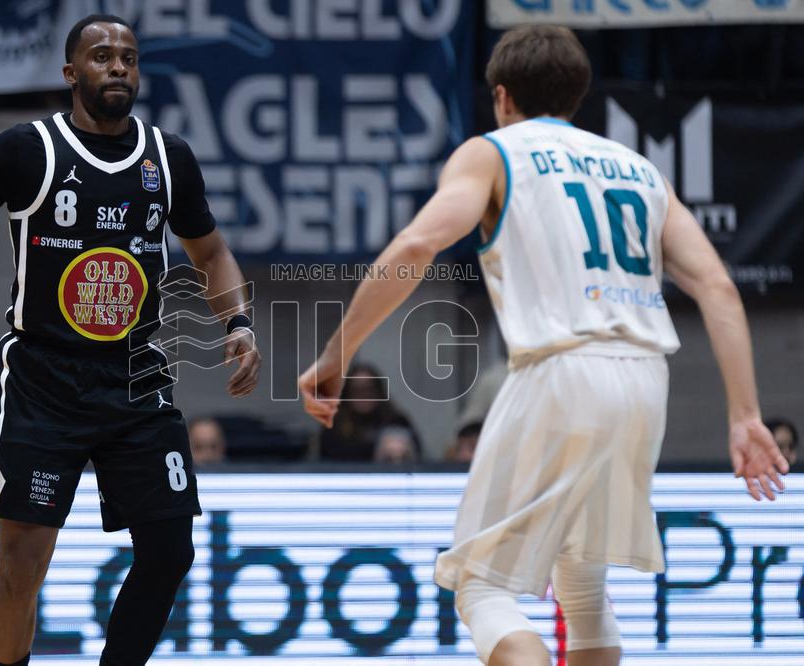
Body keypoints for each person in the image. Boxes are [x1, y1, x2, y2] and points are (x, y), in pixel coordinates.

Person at [298, 25, 787, 666]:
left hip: (561, 369)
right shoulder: (639, 169)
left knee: (482, 586)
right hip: (645, 378)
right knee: (582, 584)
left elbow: (418, 245)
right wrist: (745, 414)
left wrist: (336, 352)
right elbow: (718, 287)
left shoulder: (492, 152)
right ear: (577, 97)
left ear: (501, 96)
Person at [0, 15, 261, 666]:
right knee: (22, 567)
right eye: (102, 56)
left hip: (136, 377)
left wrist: (239, 323)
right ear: (70, 72)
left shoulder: (169, 158)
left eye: (129, 58)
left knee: (170, 550)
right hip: (43, 382)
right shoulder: (27, 151)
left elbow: (212, 251)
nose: (118, 67)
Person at [317, 362, 419, 461]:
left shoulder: (397, 421)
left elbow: (417, 458)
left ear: (379, 392)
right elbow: (327, 460)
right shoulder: (334, 426)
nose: (364, 395)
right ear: (347, 393)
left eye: (369, 389)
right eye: (357, 390)